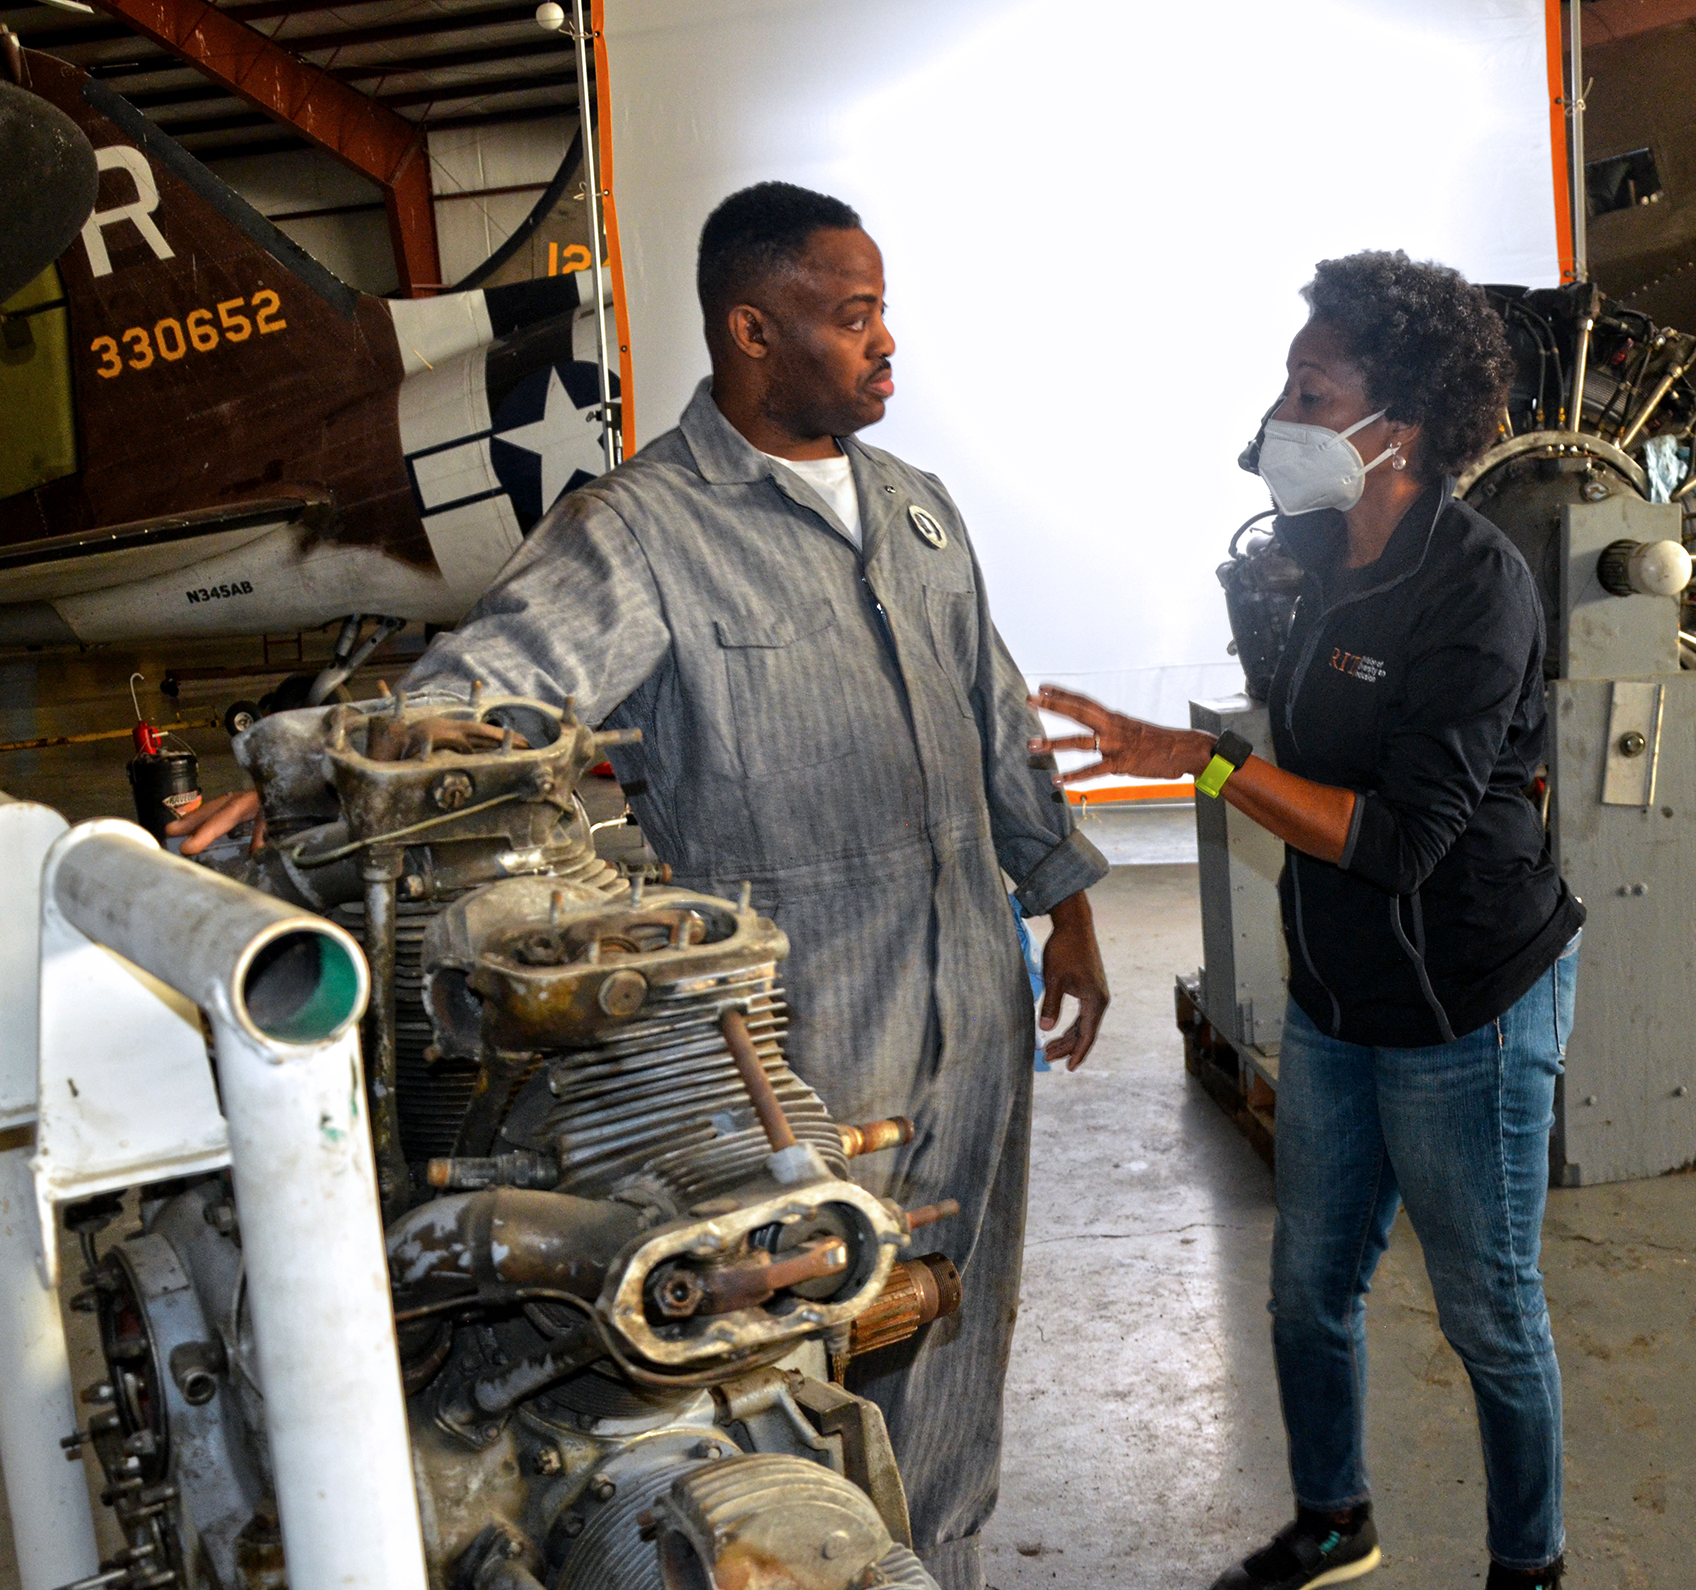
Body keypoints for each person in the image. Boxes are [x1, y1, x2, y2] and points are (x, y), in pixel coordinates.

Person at [174, 181, 1111, 1590]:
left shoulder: (918, 512)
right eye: (852, 316)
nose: (885, 342)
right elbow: (493, 687)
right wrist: (322, 770)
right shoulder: (644, 530)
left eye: (883, 311)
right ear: (751, 329)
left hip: (974, 1001)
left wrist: (1070, 905)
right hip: (793, 1045)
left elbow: (1001, 728)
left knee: (959, 1326)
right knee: (799, 1356)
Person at [1029, 252, 1581, 1590]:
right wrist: (1204, 738)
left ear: (1397, 424)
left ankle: (1531, 1565)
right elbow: (1314, 748)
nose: (1282, 408)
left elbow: (1399, 840)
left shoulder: (1479, 585)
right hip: (1339, 998)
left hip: (1467, 1006)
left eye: (1310, 386)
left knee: (1490, 1317)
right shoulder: (1319, 555)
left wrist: (1198, 758)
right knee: (1305, 1293)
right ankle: (1336, 1518)